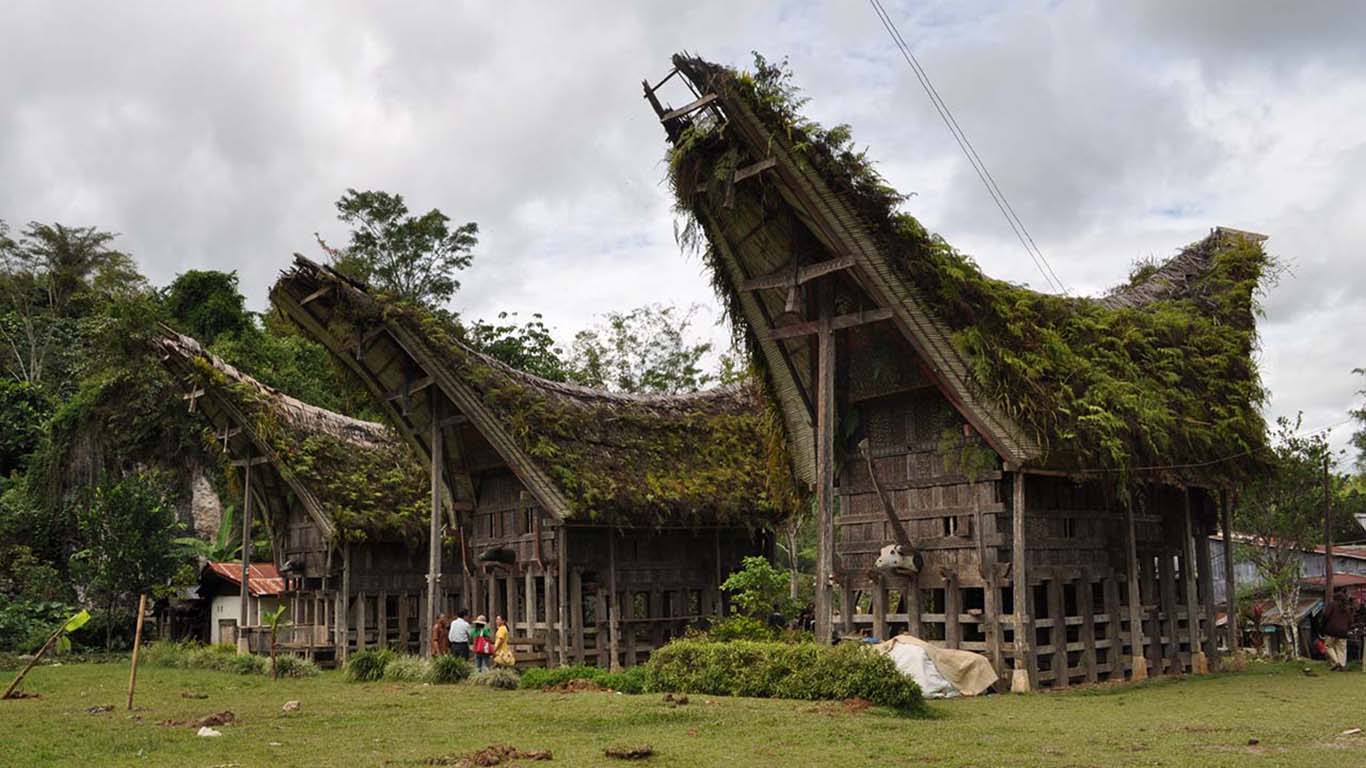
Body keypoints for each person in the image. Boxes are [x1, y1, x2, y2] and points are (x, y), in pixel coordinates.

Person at [1321, 589, 1352, 671]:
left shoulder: (1332, 604)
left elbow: (1325, 615)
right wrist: (1347, 628)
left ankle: (1337, 662)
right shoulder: (1346, 607)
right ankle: (1342, 665)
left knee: (1329, 646)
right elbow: (1350, 621)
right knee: (1342, 649)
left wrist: (1323, 626)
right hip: (1343, 632)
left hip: (1331, 630)